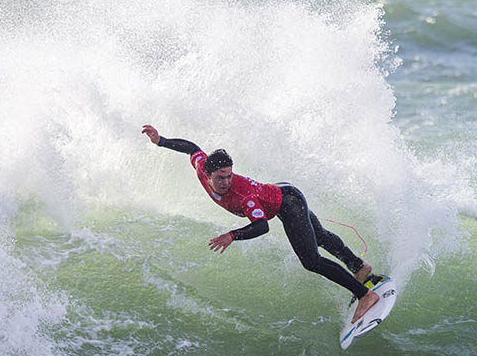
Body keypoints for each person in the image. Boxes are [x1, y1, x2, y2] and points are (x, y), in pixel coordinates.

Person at [142, 125, 381, 323]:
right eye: (220, 177)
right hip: (281, 191)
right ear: (208, 173)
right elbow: (192, 148)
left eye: (229, 176)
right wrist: (161, 140)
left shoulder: (242, 195)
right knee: (318, 235)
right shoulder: (201, 167)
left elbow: (261, 226)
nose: (226, 181)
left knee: (311, 260)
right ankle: (358, 267)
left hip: (288, 204)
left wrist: (232, 235)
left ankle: (364, 295)